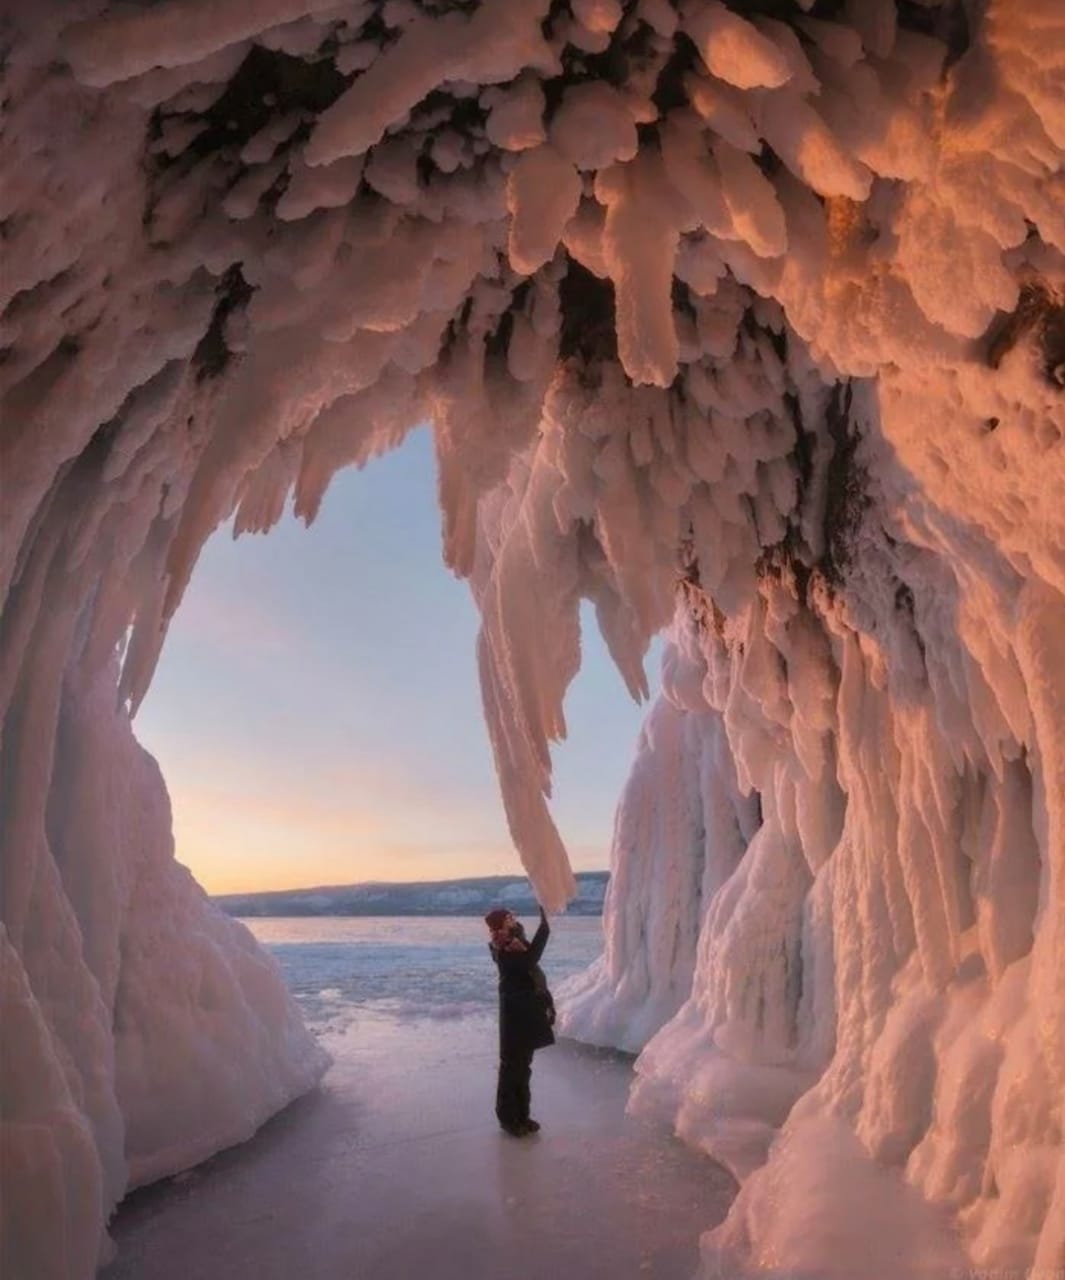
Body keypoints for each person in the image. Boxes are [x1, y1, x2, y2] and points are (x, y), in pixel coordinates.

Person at [484, 905, 555, 1137]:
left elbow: (531, 967)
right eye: (508, 917)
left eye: (512, 916)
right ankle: (508, 1119)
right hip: (515, 1013)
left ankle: (523, 1116)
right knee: (511, 1068)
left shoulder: (516, 940)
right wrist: (544, 927)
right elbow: (530, 960)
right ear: (499, 925)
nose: (513, 919)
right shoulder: (502, 947)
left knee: (523, 1067)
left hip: (525, 1010)